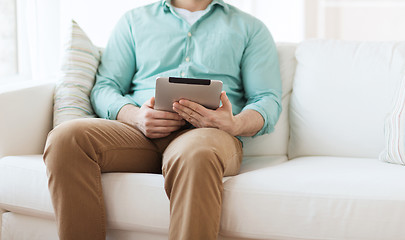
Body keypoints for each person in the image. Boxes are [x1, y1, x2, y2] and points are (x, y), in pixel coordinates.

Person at [43, 0, 282, 239]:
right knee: (66, 139)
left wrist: (233, 124)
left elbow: (267, 99)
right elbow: (105, 87)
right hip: (138, 133)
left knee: (196, 155)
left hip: (208, 136)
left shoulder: (250, 28)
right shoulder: (133, 21)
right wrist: (135, 116)